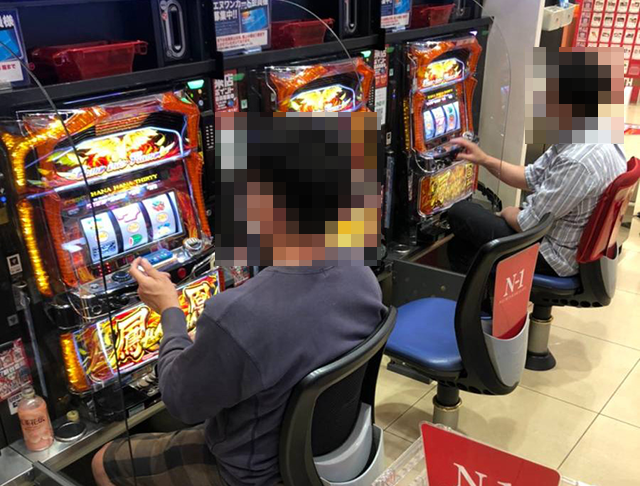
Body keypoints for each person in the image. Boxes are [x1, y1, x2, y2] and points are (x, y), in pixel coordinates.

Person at [91, 112, 386, 486]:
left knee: (103, 461)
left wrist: (169, 310)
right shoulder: (361, 274)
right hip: (323, 453)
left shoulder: (236, 314)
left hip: (250, 474)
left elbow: (180, 402)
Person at [446, 139, 627, 276]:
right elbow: (531, 177)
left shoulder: (577, 161)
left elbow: (528, 224)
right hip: (562, 238)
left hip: (554, 255)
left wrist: (507, 212)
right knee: (466, 233)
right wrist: (484, 159)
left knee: (460, 214)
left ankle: (480, 311)